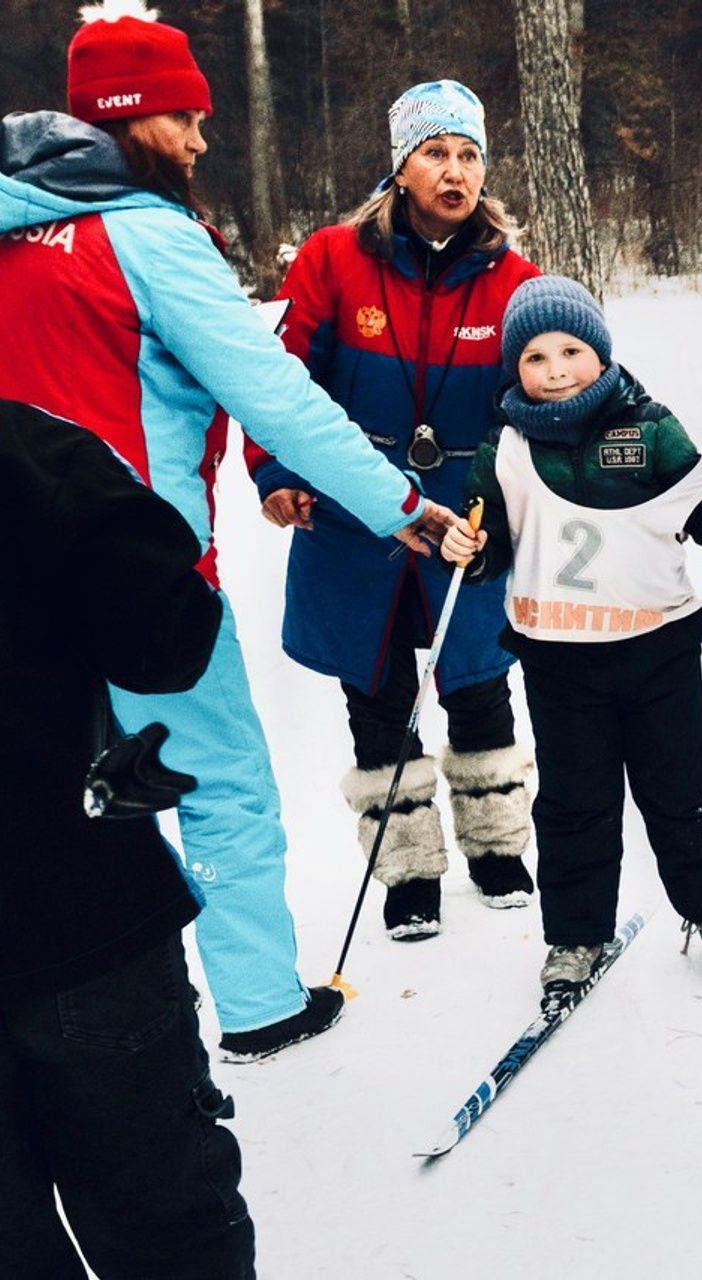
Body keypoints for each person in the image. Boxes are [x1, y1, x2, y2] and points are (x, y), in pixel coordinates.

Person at [0, 2, 453, 1062]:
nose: (202, 140)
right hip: (138, 578)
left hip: (18, 584)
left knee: (61, 797)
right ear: (130, 118)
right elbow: (275, 395)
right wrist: (396, 504)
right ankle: (257, 1006)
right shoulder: (149, 236)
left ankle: (84, 1023)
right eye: (186, 118)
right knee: (219, 787)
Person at [246, 80, 541, 941]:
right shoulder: (332, 259)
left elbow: (542, 399)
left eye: (470, 155)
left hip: (468, 522)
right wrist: (274, 472)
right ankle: (407, 867)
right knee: (376, 696)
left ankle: (497, 846)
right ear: (401, 167)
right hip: (353, 516)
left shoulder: (514, 279)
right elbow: (280, 382)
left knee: (479, 684)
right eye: (436, 152)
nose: (456, 171)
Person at [441, 275, 702, 994]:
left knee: (683, 788)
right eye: (535, 357)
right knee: (574, 803)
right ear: (514, 368)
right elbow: (488, 538)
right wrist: (468, 551)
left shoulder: (649, 426)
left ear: (600, 352)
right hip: (558, 659)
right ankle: (576, 934)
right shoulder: (505, 445)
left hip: (657, 648)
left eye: (571, 350)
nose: (556, 370)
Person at [0, 399, 254, 1278]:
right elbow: (170, 639)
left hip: (79, 917)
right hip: (82, 924)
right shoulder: (30, 453)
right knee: (168, 1238)